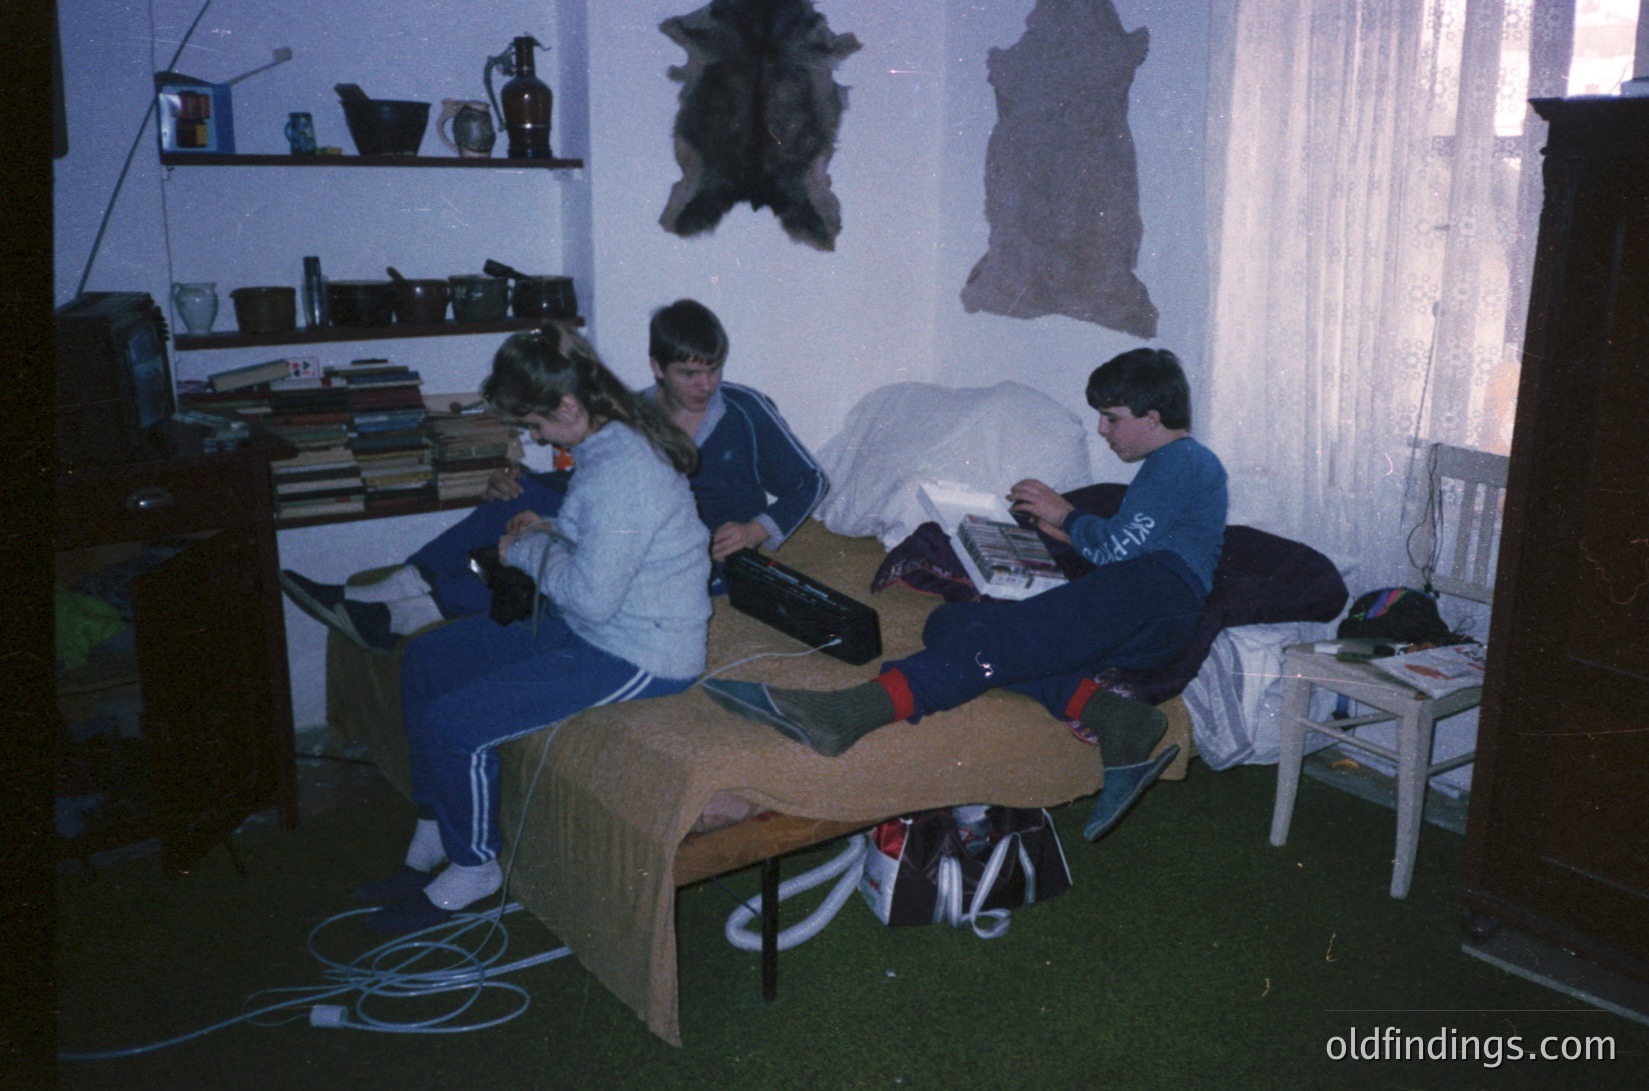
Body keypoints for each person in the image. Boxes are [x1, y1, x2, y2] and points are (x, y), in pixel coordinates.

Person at [704, 348, 1227, 842]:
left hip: (1157, 596)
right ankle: (1117, 718)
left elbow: (1119, 551)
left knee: (1006, 636)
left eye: (1112, 418)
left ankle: (849, 713)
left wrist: (1064, 513)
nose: (1102, 430)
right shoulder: (1170, 472)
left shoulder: (1184, 461)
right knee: (950, 626)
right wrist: (1066, 533)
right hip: (1136, 596)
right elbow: (1127, 541)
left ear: (1154, 420)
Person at [359, 327, 712, 934]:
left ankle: (474, 868)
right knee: (427, 662)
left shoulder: (624, 472)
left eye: (535, 425)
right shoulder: (608, 445)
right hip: (597, 623)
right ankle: (435, 832)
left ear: (569, 406)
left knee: (455, 726)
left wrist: (524, 549)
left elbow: (593, 599)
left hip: (640, 652)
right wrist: (547, 527)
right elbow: (604, 544)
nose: (533, 436)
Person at [280, 299, 824, 648]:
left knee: (560, 568)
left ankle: (405, 617)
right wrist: (522, 484)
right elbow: (597, 477)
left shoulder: (747, 411)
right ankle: (385, 590)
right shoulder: (634, 410)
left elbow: (811, 481)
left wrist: (758, 529)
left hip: (699, 553)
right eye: (690, 372)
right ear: (657, 367)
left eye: (713, 370)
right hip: (629, 523)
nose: (705, 385)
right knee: (517, 497)